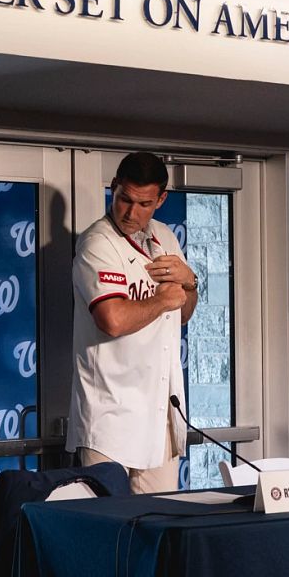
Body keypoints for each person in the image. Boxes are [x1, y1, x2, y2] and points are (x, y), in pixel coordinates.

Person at [67, 151, 198, 493]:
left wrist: (190, 282)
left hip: (159, 414)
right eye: (124, 199)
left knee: (160, 525)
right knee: (110, 531)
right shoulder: (97, 242)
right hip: (110, 416)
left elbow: (183, 312)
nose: (131, 212)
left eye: (144, 203)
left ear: (161, 199)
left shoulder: (165, 237)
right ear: (113, 188)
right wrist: (163, 298)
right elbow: (111, 319)